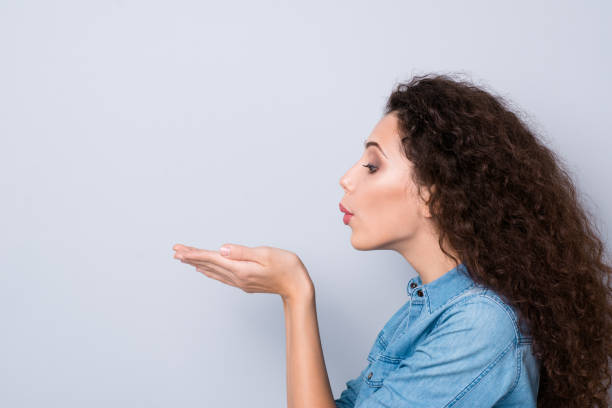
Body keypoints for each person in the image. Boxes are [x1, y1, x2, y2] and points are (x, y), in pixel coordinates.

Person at [172, 73, 612, 408]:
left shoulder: (479, 325)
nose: (346, 178)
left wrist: (295, 292)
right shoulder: (428, 309)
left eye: (372, 165)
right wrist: (292, 294)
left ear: (433, 193)